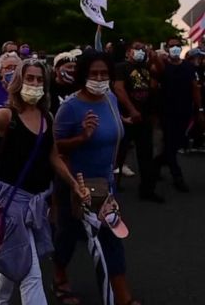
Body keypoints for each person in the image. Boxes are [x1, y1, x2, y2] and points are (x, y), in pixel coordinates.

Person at [0, 57, 88, 305]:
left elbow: (53, 156)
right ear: (19, 82)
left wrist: (73, 184)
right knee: (31, 271)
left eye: (40, 79)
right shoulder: (8, 115)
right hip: (11, 203)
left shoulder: (46, 118)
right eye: (29, 78)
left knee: (17, 256)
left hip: (37, 201)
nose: (35, 83)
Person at [53, 51, 140, 305]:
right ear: (83, 76)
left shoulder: (111, 98)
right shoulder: (70, 107)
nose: (99, 78)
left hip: (104, 183)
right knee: (67, 236)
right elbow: (56, 149)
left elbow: (116, 134)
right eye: (93, 74)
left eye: (104, 73)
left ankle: (122, 295)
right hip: (75, 184)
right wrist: (82, 138)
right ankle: (59, 277)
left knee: (112, 237)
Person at [151, 37, 204, 192]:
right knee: (170, 144)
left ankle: (156, 165)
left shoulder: (188, 67)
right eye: (171, 46)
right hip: (166, 112)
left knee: (176, 144)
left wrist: (199, 110)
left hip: (184, 112)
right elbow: (154, 81)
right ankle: (177, 177)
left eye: (177, 46)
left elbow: (195, 89)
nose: (174, 48)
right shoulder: (163, 67)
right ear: (167, 48)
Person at [114, 41, 164, 203]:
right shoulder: (122, 67)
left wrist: (154, 58)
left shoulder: (146, 68)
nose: (140, 51)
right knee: (119, 154)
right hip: (126, 118)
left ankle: (147, 190)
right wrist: (131, 109)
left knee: (146, 155)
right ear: (129, 52)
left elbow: (159, 74)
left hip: (144, 118)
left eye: (143, 48)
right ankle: (113, 187)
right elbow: (119, 89)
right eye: (137, 48)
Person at [49, 51, 80, 116]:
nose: (73, 70)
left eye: (74, 67)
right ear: (57, 69)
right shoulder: (49, 88)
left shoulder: (79, 88)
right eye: (69, 67)